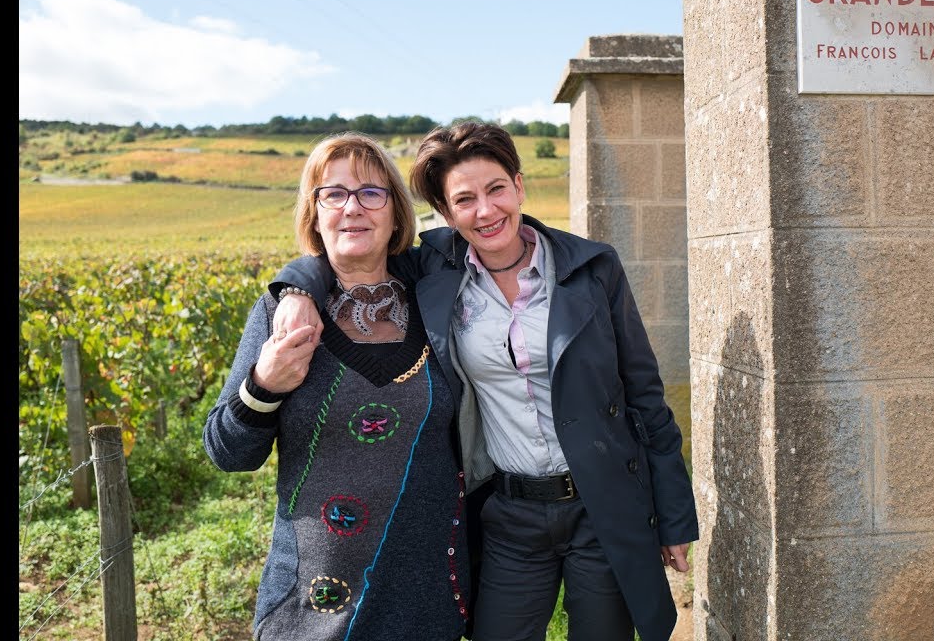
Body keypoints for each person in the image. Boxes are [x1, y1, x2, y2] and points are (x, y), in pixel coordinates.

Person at [268, 122, 698, 641]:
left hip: (601, 504)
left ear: (519, 185)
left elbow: (646, 395)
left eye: (496, 189)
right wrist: (296, 288)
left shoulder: (592, 268)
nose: (486, 210)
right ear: (446, 213)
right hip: (510, 513)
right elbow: (350, 252)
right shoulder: (434, 271)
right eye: (464, 200)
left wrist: (674, 515)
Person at [203, 132, 474, 641]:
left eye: (371, 192)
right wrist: (264, 384)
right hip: (308, 612)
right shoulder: (279, 313)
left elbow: (490, 234)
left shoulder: (435, 299)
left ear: (396, 214)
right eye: (334, 193)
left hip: (425, 603)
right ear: (314, 214)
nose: (353, 207)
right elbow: (227, 452)